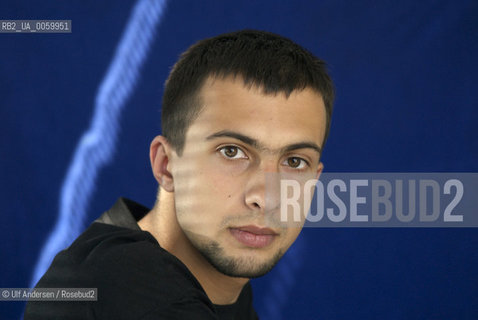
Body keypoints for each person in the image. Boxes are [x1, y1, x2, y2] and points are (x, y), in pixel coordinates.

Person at [24, 29, 334, 319]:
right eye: (232, 152)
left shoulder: (216, 287)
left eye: (294, 162)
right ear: (166, 165)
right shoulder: (123, 279)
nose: (267, 198)